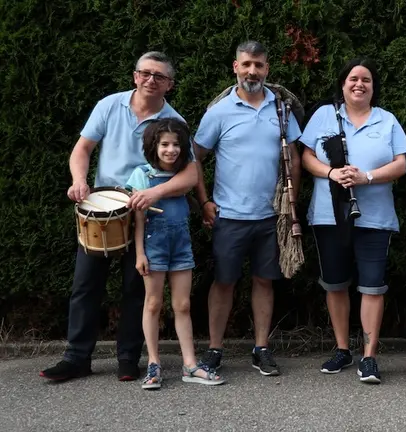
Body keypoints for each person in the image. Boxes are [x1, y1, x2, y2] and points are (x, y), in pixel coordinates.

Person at [40, 51, 198, 382]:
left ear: (169, 84)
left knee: (135, 288)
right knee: (85, 285)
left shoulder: (174, 122)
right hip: (102, 209)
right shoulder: (109, 105)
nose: (150, 80)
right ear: (135, 75)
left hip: (148, 213)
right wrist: (79, 180)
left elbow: (191, 175)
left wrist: (153, 193)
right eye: (145, 73)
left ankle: (129, 358)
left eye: (159, 76)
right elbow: (82, 149)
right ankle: (77, 358)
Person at [299, 57, 406, 384]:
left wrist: (367, 177)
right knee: (335, 283)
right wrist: (332, 172)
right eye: (353, 78)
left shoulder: (386, 120)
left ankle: (369, 356)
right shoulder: (323, 116)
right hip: (329, 215)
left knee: (372, 286)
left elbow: (401, 164)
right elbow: (305, 156)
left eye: (366, 79)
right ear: (343, 83)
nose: (359, 84)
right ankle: (341, 349)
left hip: (374, 217)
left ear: (373, 87)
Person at [193, 40, 302, 377]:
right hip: (229, 216)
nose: (252, 71)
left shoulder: (281, 110)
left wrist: (290, 204)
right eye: (246, 64)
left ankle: (261, 349)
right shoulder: (219, 112)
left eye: (259, 65)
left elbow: (295, 159)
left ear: (267, 69)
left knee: (264, 282)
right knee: (224, 282)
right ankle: (214, 350)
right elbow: (195, 158)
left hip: (270, 217)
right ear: (235, 67)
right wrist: (204, 202)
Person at [128, 118, 225, 389]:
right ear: (153, 146)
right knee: (153, 304)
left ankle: (190, 365)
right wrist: (140, 254)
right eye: (164, 144)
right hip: (153, 248)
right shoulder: (142, 175)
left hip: (181, 247)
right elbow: (138, 220)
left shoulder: (184, 176)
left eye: (176, 145)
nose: (171, 150)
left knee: (182, 305)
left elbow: (194, 195)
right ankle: (153, 364)